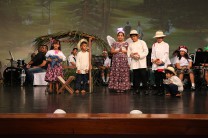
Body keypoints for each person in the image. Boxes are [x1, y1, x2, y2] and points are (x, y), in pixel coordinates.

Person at [108, 28, 131, 93]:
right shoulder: (114, 43)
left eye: (121, 35)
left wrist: (123, 50)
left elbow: (129, 51)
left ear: (123, 36)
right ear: (117, 36)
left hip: (123, 61)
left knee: (123, 73)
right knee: (117, 73)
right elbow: (112, 51)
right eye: (119, 35)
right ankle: (116, 87)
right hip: (116, 61)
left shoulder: (126, 43)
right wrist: (117, 50)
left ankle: (123, 87)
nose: (120, 37)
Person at [127, 30, 149, 95]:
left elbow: (146, 51)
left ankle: (145, 89)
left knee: (143, 76)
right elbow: (128, 53)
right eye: (132, 37)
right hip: (134, 62)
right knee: (136, 77)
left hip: (141, 62)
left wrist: (139, 55)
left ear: (137, 36)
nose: (133, 38)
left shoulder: (142, 42)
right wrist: (132, 55)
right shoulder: (130, 44)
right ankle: (137, 89)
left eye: (134, 36)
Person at [151, 30, 171, 96]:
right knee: (157, 78)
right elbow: (153, 54)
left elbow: (166, 54)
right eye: (157, 38)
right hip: (156, 63)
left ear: (162, 38)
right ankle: (158, 90)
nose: (159, 39)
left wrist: (162, 61)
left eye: (160, 37)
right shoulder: (154, 45)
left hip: (163, 63)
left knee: (163, 78)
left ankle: (163, 90)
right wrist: (154, 60)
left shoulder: (166, 44)